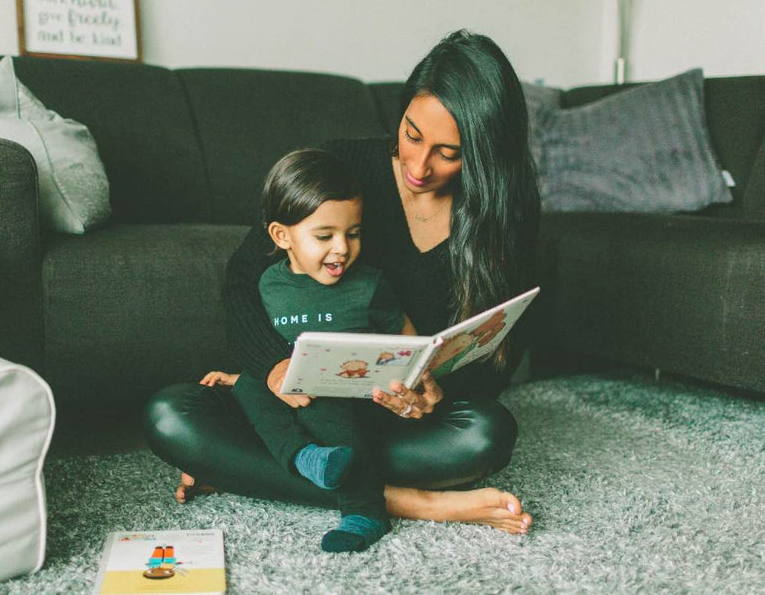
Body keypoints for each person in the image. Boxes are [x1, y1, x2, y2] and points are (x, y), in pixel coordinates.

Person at [145, 29, 540, 536]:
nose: (419, 166)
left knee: (486, 435)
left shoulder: (504, 217)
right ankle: (411, 501)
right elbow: (244, 279)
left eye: (449, 152)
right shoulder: (342, 168)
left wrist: (433, 392)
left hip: (395, 422)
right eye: (412, 134)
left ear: (486, 155)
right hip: (306, 408)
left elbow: (498, 351)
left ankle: (249, 469)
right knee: (171, 414)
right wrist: (272, 367)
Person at [205, 147, 417, 552]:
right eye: (325, 236)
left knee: (325, 395)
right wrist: (242, 378)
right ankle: (307, 458)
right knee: (250, 386)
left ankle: (366, 510)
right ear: (282, 236)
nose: (342, 248)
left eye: (352, 233)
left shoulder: (369, 284)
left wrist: (418, 372)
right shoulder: (270, 285)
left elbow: (407, 338)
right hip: (297, 398)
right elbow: (274, 356)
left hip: (354, 400)